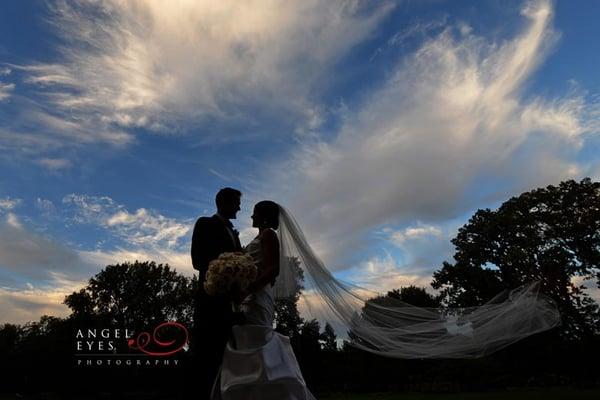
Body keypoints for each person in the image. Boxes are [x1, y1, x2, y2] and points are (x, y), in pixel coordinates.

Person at [211, 200, 316, 400]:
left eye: (254, 213)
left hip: (257, 296)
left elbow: (273, 269)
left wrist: (248, 289)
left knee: (256, 339)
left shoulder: (269, 235)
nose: (251, 217)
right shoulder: (259, 236)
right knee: (246, 340)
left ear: (264, 216)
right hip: (247, 295)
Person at [191, 187, 243, 400]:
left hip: (231, 304)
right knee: (206, 354)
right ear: (225, 203)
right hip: (209, 300)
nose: (240, 208)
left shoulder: (234, 233)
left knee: (229, 355)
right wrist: (225, 269)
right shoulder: (205, 223)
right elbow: (197, 260)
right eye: (237, 203)